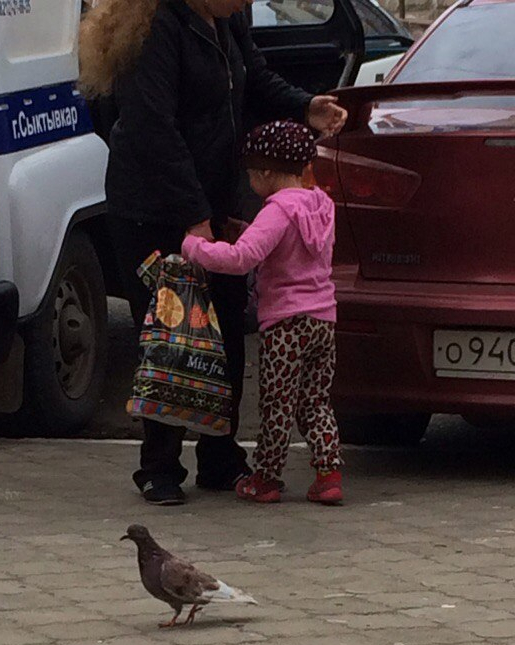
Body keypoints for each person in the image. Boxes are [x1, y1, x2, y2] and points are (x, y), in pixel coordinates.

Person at [79, 0, 347, 506]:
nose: (246, 3)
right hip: (154, 211)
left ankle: (221, 456)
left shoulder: (226, 20)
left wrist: (304, 106)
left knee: (226, 329)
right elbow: (152, 127)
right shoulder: (155, 29)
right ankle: (159, 467)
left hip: (215, 203)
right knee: (172, 337)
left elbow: (256, 81)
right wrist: (193, 213)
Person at [182, 120, 343, 505]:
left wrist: (193, 248)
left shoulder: (278, 210)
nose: (251, 184)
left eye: (253, 175)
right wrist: (249, 228)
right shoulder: (321, 204)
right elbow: (293, 250)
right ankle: (329, 473)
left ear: (267, 171)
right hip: (324, 318)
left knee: (277, 402)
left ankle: (267, 477)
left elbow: (242, 258)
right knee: (315, 401)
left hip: (286, 324)